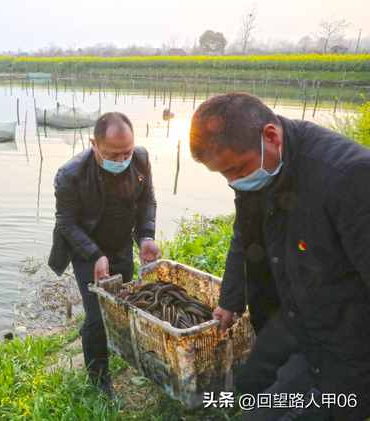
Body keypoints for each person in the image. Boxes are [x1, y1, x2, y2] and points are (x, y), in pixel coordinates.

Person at [189, 92, 370, 420]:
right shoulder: (258, 168)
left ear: (270, 136)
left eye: (236, 169)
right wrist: (230, 299)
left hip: (347, 335)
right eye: (223, 175)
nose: (234, 182)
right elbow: (243, 234)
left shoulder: (349, 177)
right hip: (293, 313)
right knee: (252, 384)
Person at [49, 112, 162, 399]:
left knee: (123, 303)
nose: (123, 158)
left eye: (127, 150)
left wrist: (146, 236)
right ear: (94, 144)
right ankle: (100, 380)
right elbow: (67, 223)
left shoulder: (140, 159)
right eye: (114, 153)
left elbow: (146, 199)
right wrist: (96, 255)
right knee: (97, 316)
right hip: (88, 252)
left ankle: (122, 352)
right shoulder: (70, 174)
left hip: (122, 245)